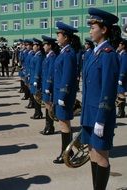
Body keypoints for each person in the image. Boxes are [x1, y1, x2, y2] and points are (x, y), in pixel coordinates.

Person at [81, 8, 121, 189]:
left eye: (93, 26)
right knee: (92, 152)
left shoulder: (108, 55)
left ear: (104, 29)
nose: (90, 30)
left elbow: (108, 90)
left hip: (100, 115)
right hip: (89, 112)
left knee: (101, 155)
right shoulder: (93, 54)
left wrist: (102, 120)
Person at [53, 22, 79, 164]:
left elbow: (67, 77)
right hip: (59, 94)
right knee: (63, 123)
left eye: (59, 34)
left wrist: (62, 95)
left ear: (66, 37)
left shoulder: (69, 54)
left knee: (64, 124)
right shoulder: (64, 51)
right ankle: (68, 151)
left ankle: (66, 153)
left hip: (64, 95)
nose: (57, 37)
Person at [41, 35, 59, 135]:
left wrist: (48, 86)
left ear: (50, 46)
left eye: (45, 45)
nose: (43, 47)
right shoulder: (48, 56)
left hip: (49, 86)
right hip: (45, 85)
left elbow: (51, 73)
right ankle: (47, 126)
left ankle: (50, 127)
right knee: (47, 106)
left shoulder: (52, 57)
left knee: (49, 107)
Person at [29, 38, 45, 119]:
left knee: (37, 97)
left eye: (34, 45)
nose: (33, 47)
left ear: (38, 47)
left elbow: (38, 69)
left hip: (36, 79)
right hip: (32, 78)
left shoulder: (39, 56)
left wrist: (36, 80)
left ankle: (38, 113)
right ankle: (37, 112)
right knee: (35, 96)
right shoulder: (36, 55)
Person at [116, 39, 127, 118]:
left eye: (120, 44)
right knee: (119, 94)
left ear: (123, 46)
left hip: (122, 79)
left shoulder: (124, 55)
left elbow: (124, 67)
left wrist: (121, 78)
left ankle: (121, 112)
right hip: (118, 77)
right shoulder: (120, 54)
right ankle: (121, 111)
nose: (118, 45)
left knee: (121, 94)